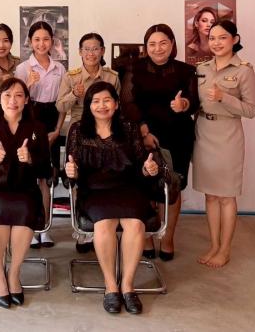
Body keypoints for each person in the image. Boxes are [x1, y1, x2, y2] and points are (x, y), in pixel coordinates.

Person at [65, 81, 159, 315]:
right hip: (94, 190)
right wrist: (71, 172)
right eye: (95, 101)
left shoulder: (128, 127)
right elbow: (70, 168)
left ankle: (127, 285)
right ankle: (110, 286)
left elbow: (140, 164)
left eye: (107, 100)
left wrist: (148, 169)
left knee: (135, 225)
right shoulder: (78, 129)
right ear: (88, 106)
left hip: (128, 188)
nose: (102, 105)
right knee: (104, 224)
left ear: (116, 104)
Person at [122, 24, 199, 261]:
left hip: (178, 136)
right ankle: (146, 237)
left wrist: (184, 105)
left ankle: (167, 238)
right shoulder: (133, 69)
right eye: (152, 44)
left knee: (173, 186)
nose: (158, 48)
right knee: (144, 184)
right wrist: (143, 131)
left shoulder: (186, 71)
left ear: (172, 44)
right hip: (143, 134)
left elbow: (194, 101)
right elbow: (127, 102)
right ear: (146, 47)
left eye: (163, 43)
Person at [0, 77, 51, 308]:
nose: (12, 100)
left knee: (24, 209)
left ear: (26, 100)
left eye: (18, 95)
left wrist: (31, 159)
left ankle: (14, 273)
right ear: (0, 99)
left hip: (26, 189)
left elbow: (46, 169)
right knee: (0, 208)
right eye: (7, 95)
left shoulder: (37, 128)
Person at [193, 20, 255, 268]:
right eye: (212, 38)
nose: (216, 43)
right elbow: (195, 101)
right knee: (210, 195)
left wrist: (224, 98)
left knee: (226, 196)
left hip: (228, 135)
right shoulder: (202, 68)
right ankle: (214, 245)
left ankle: (225, 249)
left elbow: (250, 110)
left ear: (235, 39)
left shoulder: (244, 70)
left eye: (222, 38)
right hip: (203, 132)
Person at [56, 32, 120, 253]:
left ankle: (105, 225)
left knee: (105, 178)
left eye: (95, 49)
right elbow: (60, 106)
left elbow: (118, 107)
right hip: (80, 132)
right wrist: (74, 94)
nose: (91, 53)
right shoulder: (71, 76)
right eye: (86, 49)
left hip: (107, 131)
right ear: (80, 52)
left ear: (102, 51)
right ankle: (83, 233)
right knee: (79, 179)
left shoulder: (111, 76)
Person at [15, 21, 66, 248]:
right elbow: (16, 101)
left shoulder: (59, 68)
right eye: (37, 39)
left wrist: (57, 130)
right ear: (30, 42)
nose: (41, 43)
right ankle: (30, 227)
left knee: (46, 177)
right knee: (29, 176)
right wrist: (28, 83)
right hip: (29, 119)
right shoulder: (23, 68)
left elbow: (62, 103)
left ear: (52, 42)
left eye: (46, 39)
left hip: (51, 119)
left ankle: (45, 227)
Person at [0, 23, 20, 94]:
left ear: (11, 44)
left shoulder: (19, 63)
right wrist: (1, 85)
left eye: (6, 40)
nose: (1, 45)